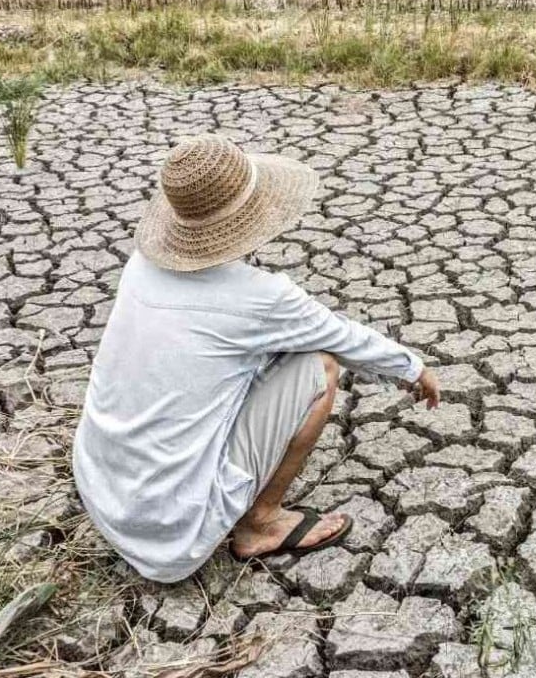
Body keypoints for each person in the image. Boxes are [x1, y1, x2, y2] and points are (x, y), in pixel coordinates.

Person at [73, 134, 440, 583]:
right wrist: (413, 368)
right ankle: (261, 524)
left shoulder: (140, 265)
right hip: (171, 536)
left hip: (102, 491)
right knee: (319, 365)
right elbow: (342, 338)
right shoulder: (261, 297)